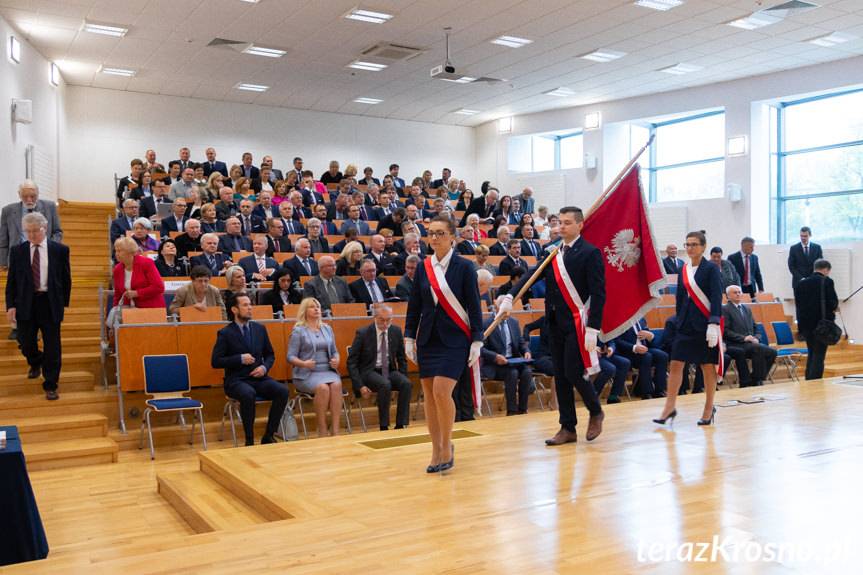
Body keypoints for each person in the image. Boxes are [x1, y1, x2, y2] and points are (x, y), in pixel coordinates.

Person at [498, 206, 605, 445]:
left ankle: (596, 411)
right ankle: (567, 428)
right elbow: (532, 275)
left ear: (580, 225)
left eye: (567, 222)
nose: (561, 227)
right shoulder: (552, 252)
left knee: (573, 372)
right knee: (561, 374)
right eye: (559, 222)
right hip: (553, 322)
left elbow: (599, 294)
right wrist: (510, 296)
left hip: (576, 323)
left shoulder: (590, 253)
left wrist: (593, 328)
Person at [405, 215, 483, 472]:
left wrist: (477, 340)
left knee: (441, 391)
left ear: (452, 237)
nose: (434, 238)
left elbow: (473, 306)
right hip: (428, 339)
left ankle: (447, 445)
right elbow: (415, 305)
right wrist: (408, 336)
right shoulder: (423, 267)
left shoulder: (464, 267)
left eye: (440, 233)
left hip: (455, 340)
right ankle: (435, 448)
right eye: (431, 233)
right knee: (428, 393)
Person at [653, 231, 721, 428]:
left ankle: (709, 408)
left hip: (705, 325)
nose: (690, 248)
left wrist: (713, 323)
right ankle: (669, 407)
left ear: (703, 247)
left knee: (707, 366)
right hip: (685, 325)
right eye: (688, 244)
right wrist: (679, 320)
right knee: (675, 364)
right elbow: (680, 298)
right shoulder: (684, 269)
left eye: (694, 244)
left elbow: (716, 297)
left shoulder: (711, 269)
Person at [5, 212, 71, 400]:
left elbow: (66, 278)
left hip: (49, 303)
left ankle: (51, 384)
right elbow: (12, 282)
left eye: (36, 230)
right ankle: (35, 361)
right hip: (25, 302)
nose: (32, 235)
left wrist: (62, 303)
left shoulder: (60, 250)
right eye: (28, 231)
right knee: (26, 342)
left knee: (53, 346)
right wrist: (10, 305)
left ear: (45, 228)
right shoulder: (18, 251)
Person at [212, 293, 289, 446]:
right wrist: (239, 359)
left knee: (283, 391)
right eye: (245, 305)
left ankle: (268, 435)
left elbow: (270, 354)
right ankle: (249, 440)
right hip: (236, 380)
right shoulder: (225, 333)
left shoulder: (259, 329)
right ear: (234, 309)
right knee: (248, 394)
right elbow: (216, 361)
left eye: (250, 304)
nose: (250, 308)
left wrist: (264, 367)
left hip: (259, 377)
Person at [348, 304, 413, 430]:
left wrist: (402, 377)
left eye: (388, 320)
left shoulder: (396, 331)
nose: (385, 323)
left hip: (389, 369)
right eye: (382, 320)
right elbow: (351, 362)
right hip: (369, 371)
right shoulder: (363, 333)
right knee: (385, 384)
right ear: (375, 318)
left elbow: (401, 359)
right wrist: (359, 385)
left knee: (406, 384)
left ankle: (401, 424)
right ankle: (384, 425)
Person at [288, 298, 343, 437]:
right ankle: (322, 428)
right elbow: (290, 357)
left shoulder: (327, 328)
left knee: (336, 385)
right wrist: (304, 363)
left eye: (318, 306)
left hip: (327, 370)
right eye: (312, 307)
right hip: (306, 373)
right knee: (323, 388)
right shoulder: (298, 331)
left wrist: (337, 360)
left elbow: (335, 350)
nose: (317, 309)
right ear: (304, 311)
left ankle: (335, 429)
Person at [481, 299, 534, 415]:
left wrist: (526, 351)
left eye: (509, 311)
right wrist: (495, 356)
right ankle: (512, 410)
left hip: (513, 361)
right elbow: (480, 348)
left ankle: (523, 409)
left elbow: (521, 342)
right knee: (512, 373)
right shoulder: (486, 324)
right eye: (505, 311)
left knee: (527, 372)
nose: (507, 314)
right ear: (496, 307)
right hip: (495, 364)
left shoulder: (514, 322)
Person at [723, 285, 777, 387]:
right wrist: (744, 338)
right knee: (758, 349)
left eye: (739, 292)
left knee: (772, 352)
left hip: (750, 343)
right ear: (728, 296)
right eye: (735, 292)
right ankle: (757, 380)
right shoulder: (725, 309)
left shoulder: (746, 308)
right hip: (735, 344)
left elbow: (755, 327)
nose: (738, 294)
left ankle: (756, 378)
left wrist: (756, 337)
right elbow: (725, 331)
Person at [794, 259, 838, 380]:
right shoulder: (827, 281)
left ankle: (809, 378)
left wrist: (800, 328)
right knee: (819, 354)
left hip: (806, 325)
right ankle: (815, 381)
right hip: (822, 324)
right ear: (826, 269)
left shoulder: (801, 283)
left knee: (812, 352)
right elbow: (833, 303)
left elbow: (798, 306)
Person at [614, 318, 668, 399]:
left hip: (644, 349)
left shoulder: (641, 319)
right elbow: (617, 341)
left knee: (662, 356)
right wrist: (634, 347)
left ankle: (660, 390)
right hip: (628, 352)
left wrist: (650, 337)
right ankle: (646, 392)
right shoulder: (619, 320)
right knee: (646, 356)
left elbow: (649, 338)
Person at [112, 237, 166, 311]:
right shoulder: (117, 269)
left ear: (131, 252)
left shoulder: (146, 263)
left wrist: (136, 293)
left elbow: (159, 287)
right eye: (116, 251)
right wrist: (115, 310)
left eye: (119, 251)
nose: (116, 254)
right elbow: (117, 295)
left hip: (151, 309)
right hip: (128, 310)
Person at [593, 340, 630, 405]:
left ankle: (613, 396)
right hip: (590, 356)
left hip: (605, 355)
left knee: (625, 363)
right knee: (610, 368)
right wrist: (593, 349)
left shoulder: (603, 330)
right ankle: (593, 395)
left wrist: (611, 348)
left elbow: (611, 341)